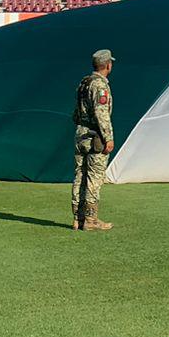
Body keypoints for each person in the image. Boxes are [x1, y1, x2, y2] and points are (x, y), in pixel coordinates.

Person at [71, 49, 116, 231]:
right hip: (95, 135)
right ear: (107, 65)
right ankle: (91, 220)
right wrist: (108, 138)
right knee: (94, 177)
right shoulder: (100, 86)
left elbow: (76, 112)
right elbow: (101, 113)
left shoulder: (84, 82)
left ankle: (77, 219)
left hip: (81, 133)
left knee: (80, 176)